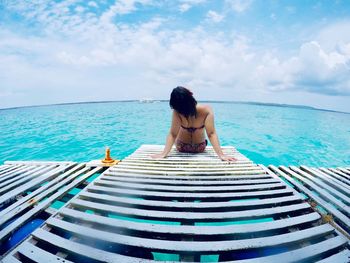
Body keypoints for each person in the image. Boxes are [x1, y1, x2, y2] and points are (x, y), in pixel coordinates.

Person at [151, 86, 236, 162]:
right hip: (199, 148)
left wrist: (164, 154)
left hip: (181, 147)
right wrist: (221, 155)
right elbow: (211, 134)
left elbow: (173, 134)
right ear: (191, 97)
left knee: (177, 134)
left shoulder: (177, 111)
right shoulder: (206, 110)